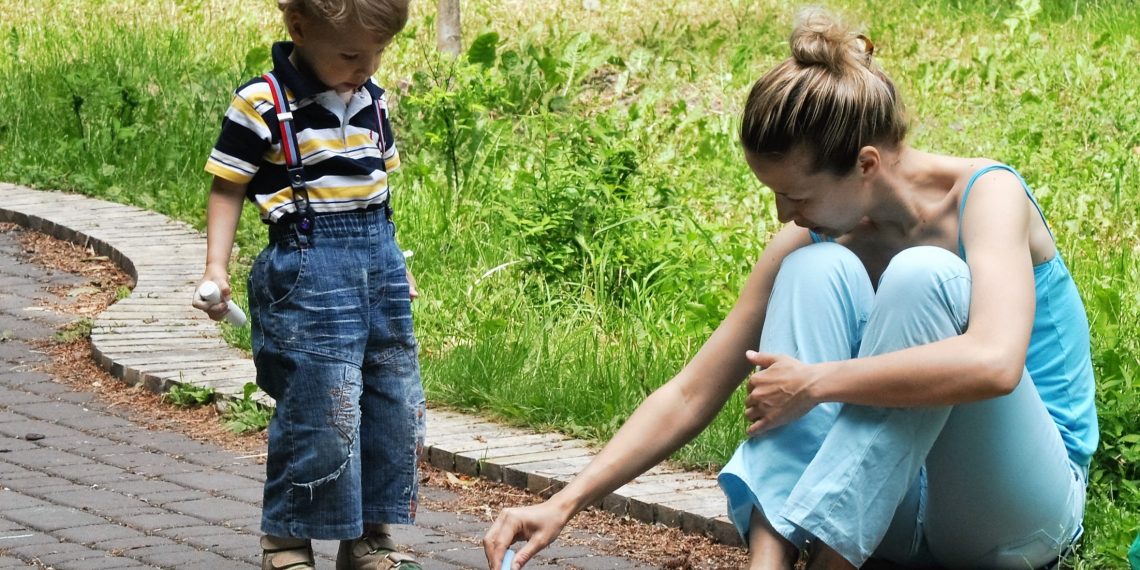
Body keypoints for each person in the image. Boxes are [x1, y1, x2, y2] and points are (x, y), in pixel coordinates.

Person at [483, 8, 1096, 570]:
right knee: (808, 269)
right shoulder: (813, 241)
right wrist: (566, 501)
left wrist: (816, 383)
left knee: (924, 276)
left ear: (866, 163)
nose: (783, 214)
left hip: (1009, 516)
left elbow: (995, 363)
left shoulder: (987, 196)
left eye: (796, 196)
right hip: (884, 516)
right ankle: (769, 564)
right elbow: (694, 391)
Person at [192, 1, 425, 569]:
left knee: (391, 404)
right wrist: (215, 267)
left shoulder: (372, 98)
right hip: (307, 272)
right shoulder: (263, 102)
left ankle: (368, 538)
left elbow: (378, 188)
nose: (365, 66)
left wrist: (396, 260)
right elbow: (227, 187)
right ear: (300, 29)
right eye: (350, 53)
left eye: (378, 53)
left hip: (379, 271)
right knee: (324, 407)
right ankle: (287, 539)